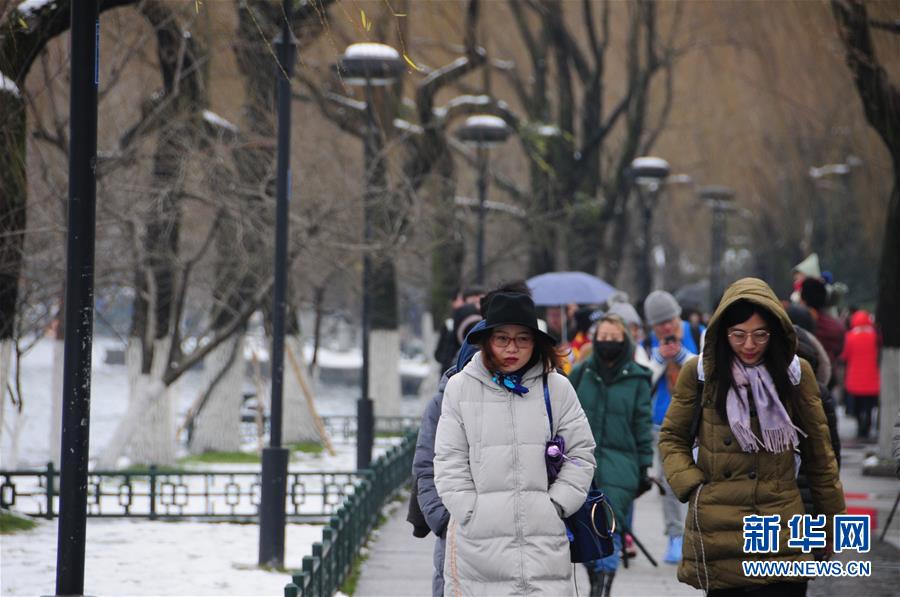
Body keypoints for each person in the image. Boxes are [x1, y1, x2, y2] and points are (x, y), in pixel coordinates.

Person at [659, 278, 845, 596]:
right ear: (722, 332)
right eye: (738, 335)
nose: (749, 345)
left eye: (760, 335)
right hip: (720, 528)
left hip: (782, 528)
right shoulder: (701, 375)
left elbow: (819, 454)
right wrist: (692, 484)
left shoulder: (795, 374)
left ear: (775, 333)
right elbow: (672, 437)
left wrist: (830, 525)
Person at [434, 292, 596, 595]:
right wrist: (470, 510)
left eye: (522, 339)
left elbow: (580, 453)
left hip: (544, 544)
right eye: (502, 339)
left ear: (535, 342)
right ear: (486, 342)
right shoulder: (460, 387)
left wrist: (558, 504)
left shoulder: (556, 387)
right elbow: (448, 458)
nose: (512, 348)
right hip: (480, 547)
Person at [409, 281, 529, 597]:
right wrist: (448, 522)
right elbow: (426, 467)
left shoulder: (539, 393)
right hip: (458, 540)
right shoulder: (448, 395)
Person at [569, 314, 653, 596]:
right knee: (583, 530)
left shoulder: (638, 379)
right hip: (581, 463)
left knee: (609, 529)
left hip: (621, 465)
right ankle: (595, 580)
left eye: (614, 338)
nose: (608, 343)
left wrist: (644, 468)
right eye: (602, 337)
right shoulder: (581, 373)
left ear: (624, 340)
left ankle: (601, 589)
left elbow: (642, 424)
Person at [643, 290, 703, 564]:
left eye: (670, 320)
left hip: (698, 423)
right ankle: (674, 536)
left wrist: (680, 356)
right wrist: (658, 360)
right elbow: (642, 380)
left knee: (701, 480)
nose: (666, 328)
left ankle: (699, 533)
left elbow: (707, 369)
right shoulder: (648, 344)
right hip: (662, 423)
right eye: (660, 324)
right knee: (669, 482)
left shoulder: (699, 333)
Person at [841, 310, 880, 441]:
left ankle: (860, 426)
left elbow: (845, 355)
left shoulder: (850, 336)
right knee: (869, 406)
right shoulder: (874, 336)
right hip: (871, 376)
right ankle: (867, 426)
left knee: (857, 405)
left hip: (854, 376)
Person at [799, 277, 844, 388]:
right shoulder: (836, 325)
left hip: (806, 382)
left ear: (804, 299)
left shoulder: (803, 323)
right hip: (829, 380)